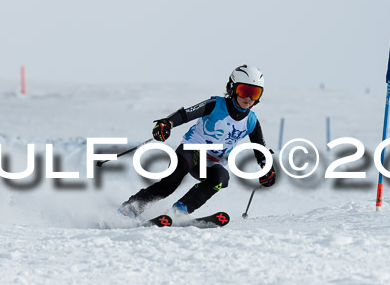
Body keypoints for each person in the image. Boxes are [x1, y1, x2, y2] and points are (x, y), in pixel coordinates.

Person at [118, 64, 276, 218]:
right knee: (172, 181)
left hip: (213, 163)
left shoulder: (251, 121)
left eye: (254, 94)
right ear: (232, 88)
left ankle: (179, 211)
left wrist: (267, 168)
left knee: (220, 178)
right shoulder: (216, 105)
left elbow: (260, 149)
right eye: (244, 91)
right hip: (190, 151)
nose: (248, 99)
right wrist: (167, 123)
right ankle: (131, 208)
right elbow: (186, 114)